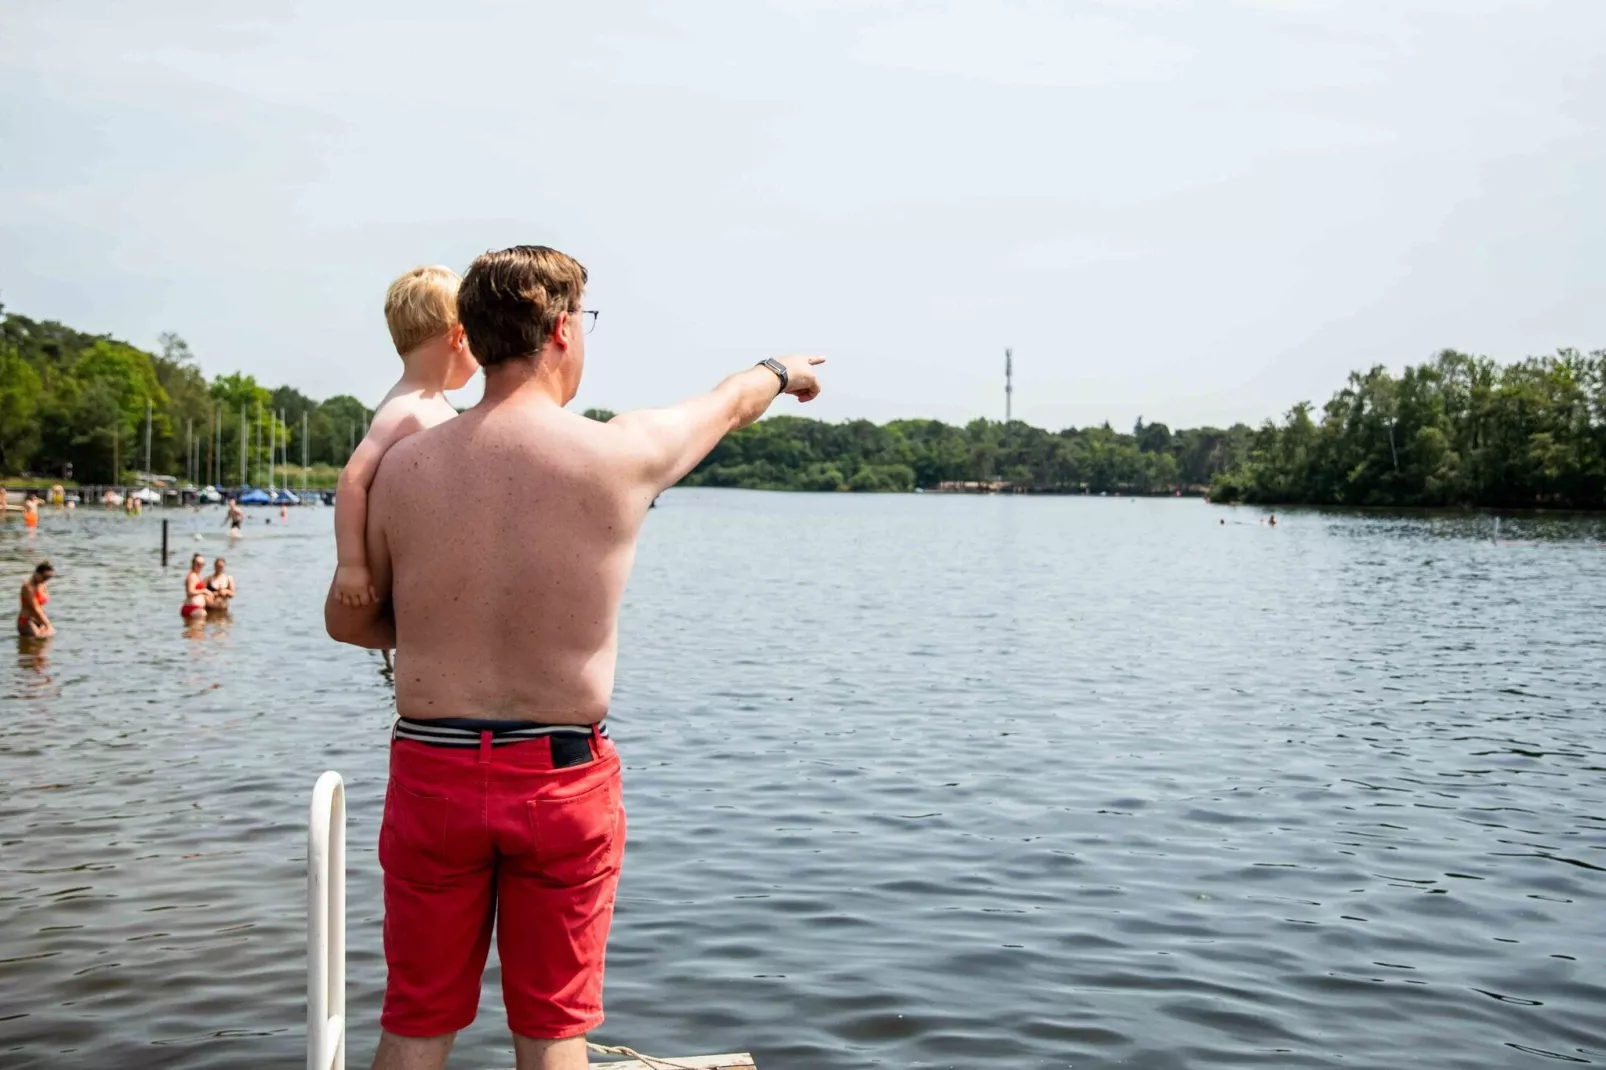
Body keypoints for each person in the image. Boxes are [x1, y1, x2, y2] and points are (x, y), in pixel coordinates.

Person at [325, 245, 824, 1070]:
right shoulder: (616, 454)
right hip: (557, 784)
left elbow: (349, 623)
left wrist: (446, 630)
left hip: (433, 773)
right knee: (554, 1031)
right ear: (561, 330)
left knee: (415, 1021)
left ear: (474, 338)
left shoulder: (404, 463)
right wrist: (783, 370)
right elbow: (731, 403)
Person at [332, 265, 479, 608]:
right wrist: (351, 565)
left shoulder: (429, 404)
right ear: (459, 338)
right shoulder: (405, 409)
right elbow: (352, 480)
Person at [17, 561, 55, 637]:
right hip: (27, 620)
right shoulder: (27, 586)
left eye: (49, 577)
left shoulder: (42, 584)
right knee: (35, 643)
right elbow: (36, 608)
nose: (46, 580)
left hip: (40, 620)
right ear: (37, 573)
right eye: (45, 577)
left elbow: (42, 603)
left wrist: (44, 623)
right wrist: (48, 624)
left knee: (44, 645)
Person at [182, 553, 213, 622]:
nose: (200, 566)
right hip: (192, 608)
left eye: (202, 564)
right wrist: (204, 591)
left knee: (198, 631)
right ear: (193, 564)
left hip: (195, 608)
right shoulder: (192, 576)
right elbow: (190, 592)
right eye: (198, 564)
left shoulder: (197, 575)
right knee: (198, 630)